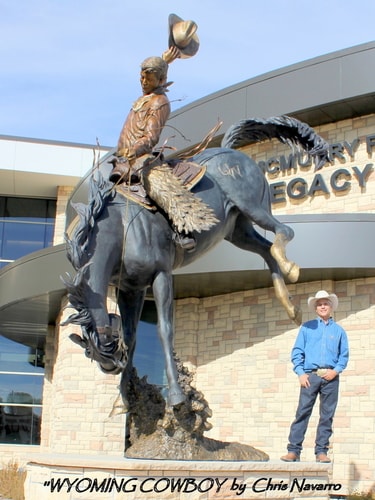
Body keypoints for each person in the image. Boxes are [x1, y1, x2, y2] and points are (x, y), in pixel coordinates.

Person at [109, 16, 202, 250]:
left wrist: (135, 149)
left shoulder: (160, 101)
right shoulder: (143, 98)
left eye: (148, 78)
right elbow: (158, 71)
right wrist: (165, 59)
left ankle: (181, 230)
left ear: (160, 80)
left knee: (160, 188)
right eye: (141, 77)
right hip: (121, 159)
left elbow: (151, 137)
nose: (143, 81)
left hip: (140, 159)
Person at [281, 290, 349, 463]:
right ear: (315, 308)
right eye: (319, 304)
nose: (323, 306)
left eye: (325, 303)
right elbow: (297, 352)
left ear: (331, 306)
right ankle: (293, 451)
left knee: (327, 415)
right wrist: (301, 373)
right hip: (310, 377)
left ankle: (321, 452)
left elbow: (344, 355)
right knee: (302, 412)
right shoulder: (306, 328)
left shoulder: (339, 331)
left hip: (331, 377)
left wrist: (336, 370)